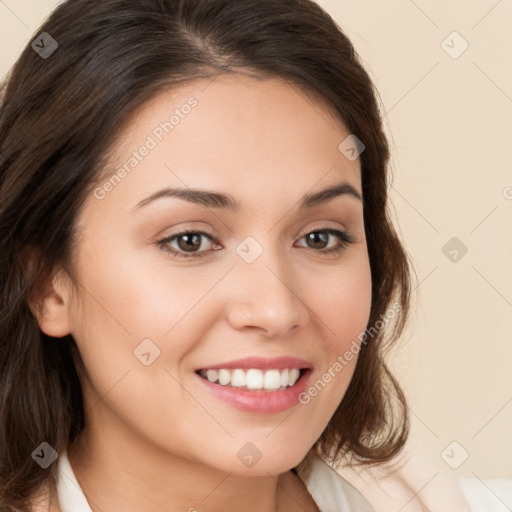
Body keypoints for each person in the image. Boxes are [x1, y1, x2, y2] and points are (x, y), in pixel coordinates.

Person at [0, 0, 503, 510]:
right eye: (189, 240)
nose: (275, 309)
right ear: (47, 284)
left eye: (320, 237)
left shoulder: (428, 498)